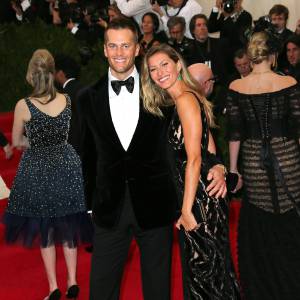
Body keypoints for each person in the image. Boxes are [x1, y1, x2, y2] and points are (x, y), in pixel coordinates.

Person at [77, 17, 228, 300]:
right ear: (105, 50)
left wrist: (218, 165)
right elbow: (86, 156)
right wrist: (88, 208)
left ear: (137, 49)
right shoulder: (87, 97)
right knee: (100, 289)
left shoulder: (163, 92)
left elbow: (199, 132)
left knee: (158, 289)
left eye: (126, 45)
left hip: (157, 206)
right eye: (113, 45)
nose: (119, 52)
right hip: (109, 210)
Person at [141, 43, 240, 299]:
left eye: (164, 64)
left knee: (205, 273)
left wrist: (185, 210)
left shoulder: (185, 99)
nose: (159, 72)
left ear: (177, 64)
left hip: (198, 200)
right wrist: (218, 164)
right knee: (212, 270)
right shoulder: (184, 98)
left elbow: (195, 159)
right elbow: (208, 146)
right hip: (201, 195)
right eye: (153, 69)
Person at [2, 49, 92, 300]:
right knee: (69, 225)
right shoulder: (67, 99)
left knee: (46, 229)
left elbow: (18, 140)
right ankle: (72, 281)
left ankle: (53, 287)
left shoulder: (24, 105)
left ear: (31, 74)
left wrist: (35, 142)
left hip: (39, 166)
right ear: (53, 73)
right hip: (66, 163)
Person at [227, 31, 300, 299]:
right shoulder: (289, 82)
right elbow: (297, 127)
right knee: (290, 217)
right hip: (288, 157)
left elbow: (235, 133)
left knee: (260, 221)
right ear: (274, 54)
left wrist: (233, 171)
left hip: (254, 159)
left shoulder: (236, 87)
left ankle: (265, 288)